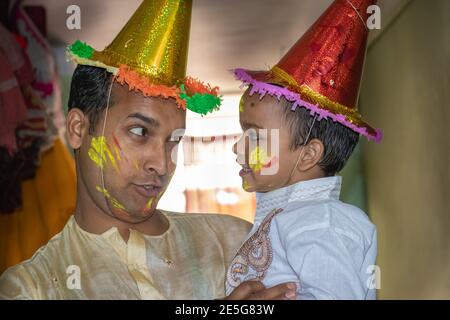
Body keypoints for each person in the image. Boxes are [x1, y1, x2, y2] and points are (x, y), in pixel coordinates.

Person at [0, 0, 296, 300]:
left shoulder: (237, 241)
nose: (163, 164)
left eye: (174, 141)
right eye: (140, 132)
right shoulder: (31, 287)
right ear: (78, 128)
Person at [226, 0, 381, 299]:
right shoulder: (291, 217)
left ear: (308, 155)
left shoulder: (323, 222)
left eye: (255, 137)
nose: (237, 147)